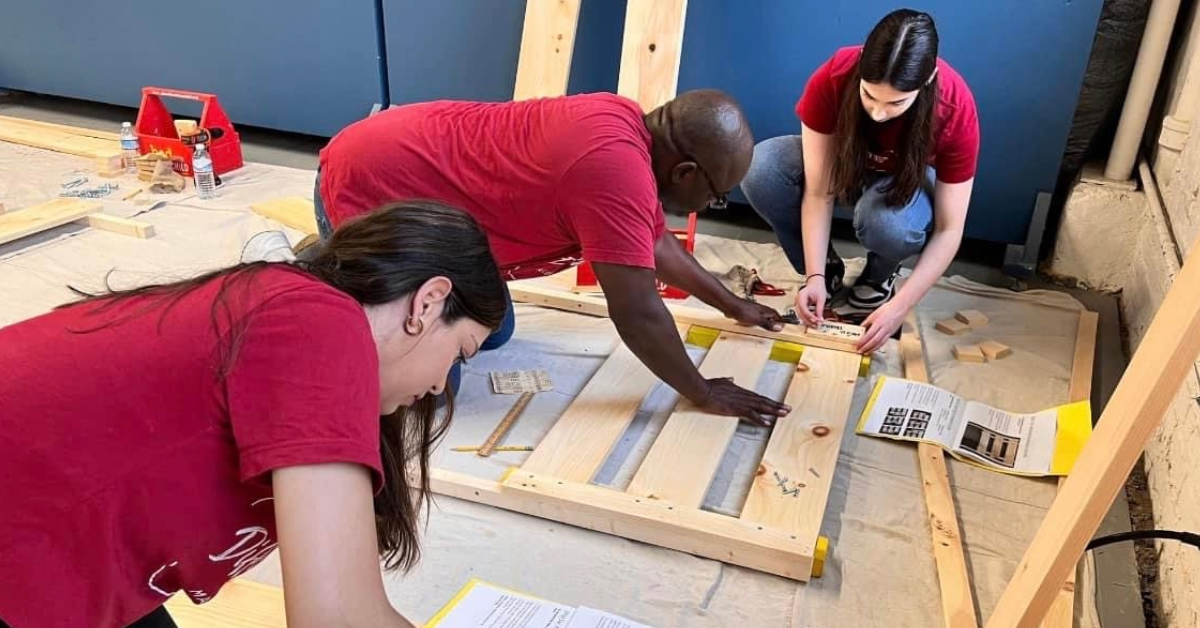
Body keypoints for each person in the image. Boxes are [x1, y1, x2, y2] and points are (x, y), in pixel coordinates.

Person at [0, 203, 508, 628]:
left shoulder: (295, 315)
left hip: (61, 556)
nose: (442, 384)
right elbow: (336, 619)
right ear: (428, 301)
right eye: (461, 351)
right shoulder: (319, 326)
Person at [316, 89, 792, 425]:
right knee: (429, 394)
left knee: (493, 329)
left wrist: (733, 304)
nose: (712, 207)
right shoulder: (613, 171)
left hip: (405, 169)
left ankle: (351, 273)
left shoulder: (627, 125)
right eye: (718, 195)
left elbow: (655, 242)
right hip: (368, 189)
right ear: (685, 171)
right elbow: (638, 312)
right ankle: (327, 274)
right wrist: (702, 391)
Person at [740, 9, 980, 353]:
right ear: (863, 63)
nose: (879, 112)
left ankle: (879, 277)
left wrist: (900, 307)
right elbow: (818, 193)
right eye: (869, 95)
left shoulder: (955, 108)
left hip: (903, 182)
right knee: (762, 168)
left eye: (897, 102)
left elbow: (949, 230)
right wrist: (814, 277)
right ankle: (828, 270)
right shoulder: (835, 74)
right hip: (845, 164)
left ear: (928, 80)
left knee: (887, 224)